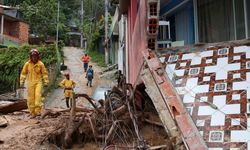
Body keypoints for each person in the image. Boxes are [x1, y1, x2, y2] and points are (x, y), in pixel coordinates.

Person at [20, 49, 49, 118]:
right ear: (30, 56)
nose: (34, 57)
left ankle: (38, 111)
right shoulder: (27, 64)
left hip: (38, 82)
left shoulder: (41, 64)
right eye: (33, 56)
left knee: (38, 96)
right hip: (30, 83)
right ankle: (32, 113)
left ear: (38, 56)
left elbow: (44, 74)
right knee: (30, 98)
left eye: (35, 56)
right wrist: (22, 82)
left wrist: (46, 81)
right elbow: (23, 73)